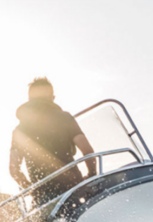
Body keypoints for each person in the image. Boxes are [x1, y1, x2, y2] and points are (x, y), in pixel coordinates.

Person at [8, 77, 96, 205]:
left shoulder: (19, 131)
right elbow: (87, 150)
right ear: (52, 98)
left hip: (45, 197)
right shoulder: (65, 118)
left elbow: (14, 169)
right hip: (74, 189)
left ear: (29, 99)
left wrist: (33, 190)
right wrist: (92, 175)